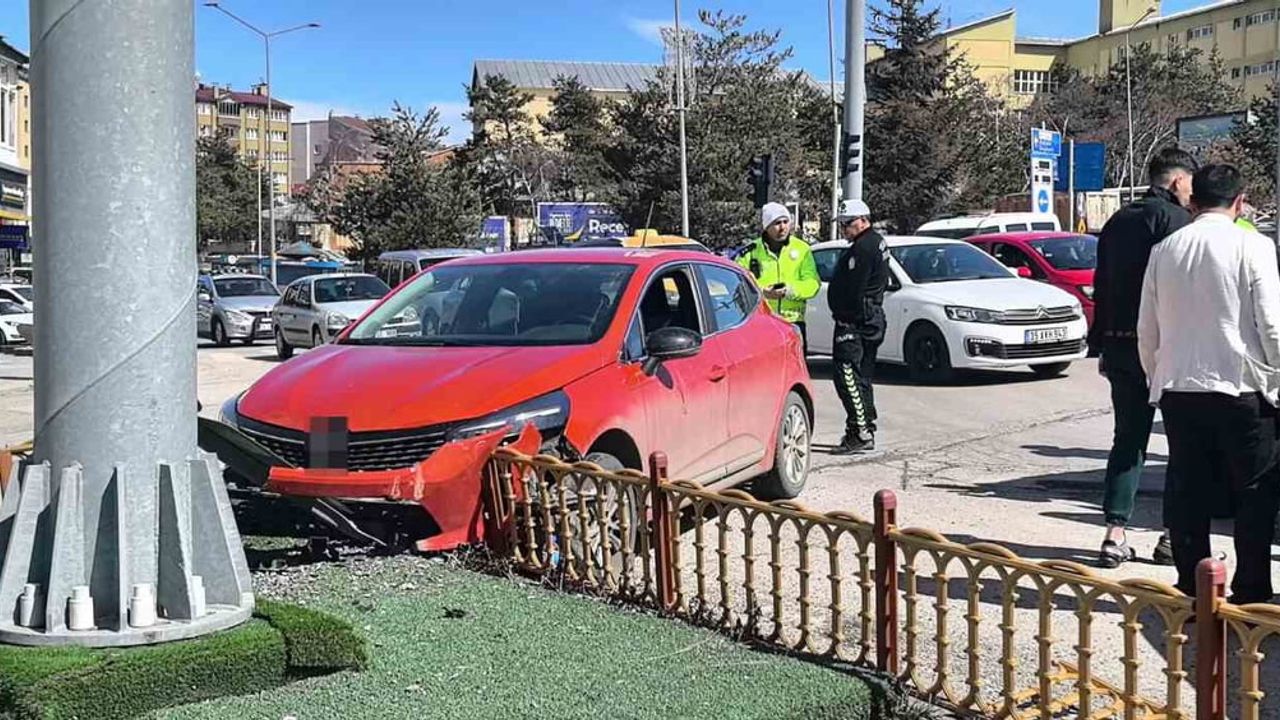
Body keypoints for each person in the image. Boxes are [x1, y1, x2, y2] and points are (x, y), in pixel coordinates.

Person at [1137, 163, 1280, 603]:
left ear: (1193, 201)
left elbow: (1148, 329)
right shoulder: (1252, 245)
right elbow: (1271, 324)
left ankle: (1193, 587)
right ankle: (1251, 591)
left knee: (1187, 487)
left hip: (1180, 386)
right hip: (1241, 387)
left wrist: (1155, 379)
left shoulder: (1164, 250)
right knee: (1254, 491)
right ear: (1239, 203)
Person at [1088, 147, 1197, 569]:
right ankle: (1173, 537)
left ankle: (1114, 534)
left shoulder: (1117, 221)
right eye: (1189, 183)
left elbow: (1103, 283)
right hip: (1165, 348)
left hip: (1119, 346)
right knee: (1183, 445)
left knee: (1127, 439)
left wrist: (1100, 344)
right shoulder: (1176, 222)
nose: (1191, 191)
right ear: (1176, 182)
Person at [827, 198, 888, 455]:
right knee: (861, 375)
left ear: (863, 220)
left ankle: (860, 430)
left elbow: (856, 288)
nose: (844, 229)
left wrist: (845, 316)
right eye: (842, 224)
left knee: (847, 374)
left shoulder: (864, 248)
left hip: (857, 320)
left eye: (848, 223)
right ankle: (862, 428)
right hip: (867, 316)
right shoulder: (870, 243)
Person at [737, 202, 820, 350]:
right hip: (762, 322)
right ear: (766, 227)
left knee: (795, 370)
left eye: (785, 222)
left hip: (792, 322)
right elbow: (738, 285)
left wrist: (789, 291)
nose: (782, 227)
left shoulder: (802, 249)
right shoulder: (751, 252)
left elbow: (812, 284)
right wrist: (763, 293)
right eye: (776, 223)